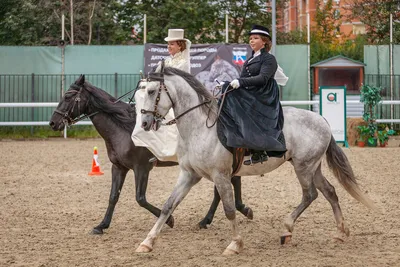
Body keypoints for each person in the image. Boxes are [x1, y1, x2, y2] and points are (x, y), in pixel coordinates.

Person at [219, 24, 287, 165]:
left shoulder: (269, 59)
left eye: (255, 38)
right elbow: (244, 78)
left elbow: (263, 78)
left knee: (239, 103)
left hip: (263, 94)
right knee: (227, 91)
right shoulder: (250, 59)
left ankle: (259, 151)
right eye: (250, 38)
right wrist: (230, 84)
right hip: (252, 90)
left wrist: (240, 82)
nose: (251, 41)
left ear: (264, 41)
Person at [131, 29, 191, 162]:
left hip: (177, 98)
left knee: (167, 116)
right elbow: (155, 77)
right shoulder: (165, 61)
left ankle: (169, 151)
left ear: (180, 45)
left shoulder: (183, 63)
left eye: (172, 44)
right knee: (141, 94)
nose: (169, 47)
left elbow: (176, 83)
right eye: (168, 44)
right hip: (165, 95)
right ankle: (151, 146)